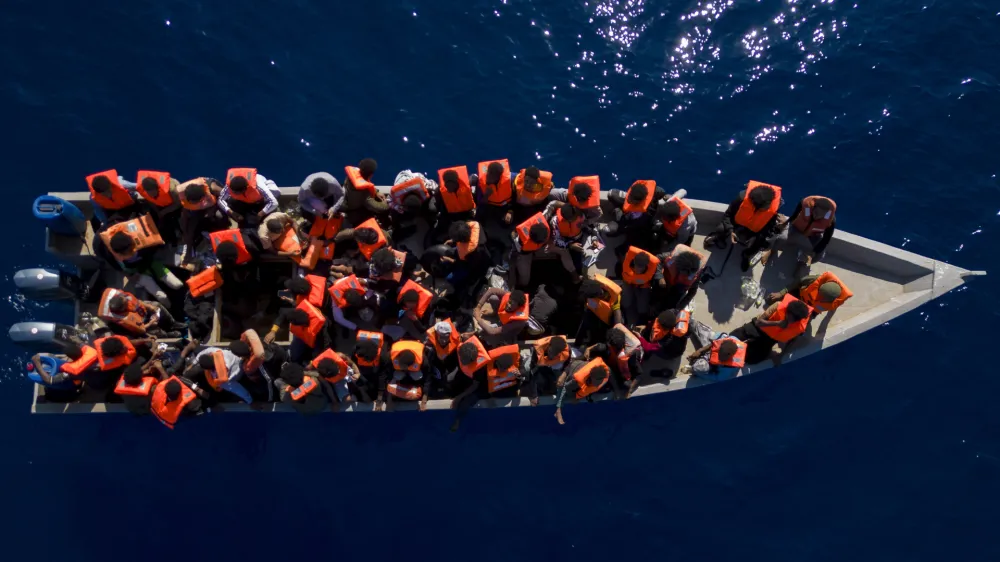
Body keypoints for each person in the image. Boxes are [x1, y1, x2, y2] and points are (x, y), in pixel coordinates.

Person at [97, 215, 184, 307]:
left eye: (132, 249)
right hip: (137, 273)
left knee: (177, 284)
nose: (132, 252)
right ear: (120, 254)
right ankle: (169, 308)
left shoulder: (141, 242)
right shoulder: (112, 257)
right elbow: (119, 268)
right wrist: (130, 276)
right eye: (128, 252)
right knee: (162, 297)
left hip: (151, 263)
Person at [704, 181, 784, 271]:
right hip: (738, 222)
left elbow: (768, 228)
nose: (768, 208)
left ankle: (746, 255)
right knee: (721, 229)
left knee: (758, 242)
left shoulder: (772, 208)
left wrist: (756, 237)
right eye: (765, 207)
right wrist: (731, 231)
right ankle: (718, 237)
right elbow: (728, 215)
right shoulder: (741, 199)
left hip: (755, 228)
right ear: (755, 205)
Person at [450, 342, 523, 430]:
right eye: (500, 368)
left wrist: (519, 376)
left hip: (504, 387)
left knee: (513, 396)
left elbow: (521, 379)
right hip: (486, 386)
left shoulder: (515, 364)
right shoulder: (482, 367)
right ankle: (458, 419)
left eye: (504, 369)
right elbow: (475, 386)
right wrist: (459, 397)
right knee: (468, 401)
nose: (502, 370)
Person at [730, 294, 813, 365]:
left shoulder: (799, 326)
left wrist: (781, 355)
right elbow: (758, 323)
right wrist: (776, 323)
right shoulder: (778, 305)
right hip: (758, 327)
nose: (790, 321)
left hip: (770, 339)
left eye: (793, 320)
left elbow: (792, 341)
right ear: (787, 311)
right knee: (733, 337)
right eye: (789, 317)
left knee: (752, 359)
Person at [511, 209, 580, 287]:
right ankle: (521, 288)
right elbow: (513, 238)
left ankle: (574, 276)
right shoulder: (519, 240)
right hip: (524, 253)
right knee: (525, 278)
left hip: (543, 247)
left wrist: (551, 242)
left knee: (564, 251)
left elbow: (553, 205)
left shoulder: (544, 218)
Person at [780, 195, 837, 275]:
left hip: (813, 234)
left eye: (821, 215)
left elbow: (826, 240)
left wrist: (812, 253)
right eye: (816, 213)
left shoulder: (831, 221)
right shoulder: (805, 204)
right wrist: (785, 223)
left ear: (826, 214)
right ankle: (771, 250)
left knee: (820, 255)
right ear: (813, 208)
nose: (817, 216)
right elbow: (794, 216)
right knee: (781, 237)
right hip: (796, 229)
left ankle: (802, 263)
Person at [99, 287, 185, 337]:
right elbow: (141, 330)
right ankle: (168, 334)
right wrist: (151, 323)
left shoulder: (122, 296)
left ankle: (172, 323)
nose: (128, 301)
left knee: (156, 305)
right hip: (141, 323)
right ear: (122, 309)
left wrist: (150, 307)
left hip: (141, 311)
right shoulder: (125, 319)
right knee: (155, 332)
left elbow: (137, 301)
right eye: (126, 303)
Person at [766, 271, 852, 321]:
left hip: (810, 309)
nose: (819, 297)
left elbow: (829, 309)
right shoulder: (814, 280)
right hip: (800, 295)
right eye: (819, 293)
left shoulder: (835, 303)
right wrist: (781, 293)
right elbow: (799, 282)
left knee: (798, 327)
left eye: (822, 297)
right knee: (770, 299)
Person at [586, 324, 642, 398]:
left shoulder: (630, 355)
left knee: (626, 385)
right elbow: (599, 345)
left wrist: (630, 392)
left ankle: (616, 390)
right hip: (612, 362)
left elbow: (639, 375)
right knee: (599, 350)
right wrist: (588, 349)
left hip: (623, 368)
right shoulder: (607, 346)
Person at [265, 300, 331, 362]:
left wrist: (313, 362)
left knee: (315, 356)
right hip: (302, 334)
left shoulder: (322, 327)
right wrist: (273, 331)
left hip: (317, 338)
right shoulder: (298, 311)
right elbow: (282, 314)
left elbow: (326, 344)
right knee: (293, 357)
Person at [380, 340, 436, 412]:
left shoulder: (423, 360)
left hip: (415, 372)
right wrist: (383, 397)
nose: (405, 370)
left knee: (417, 376)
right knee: (398, 375)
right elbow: (384, 375)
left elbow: (428, 378)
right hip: (397, 372)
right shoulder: (389, 357)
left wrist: (424, 400)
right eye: (403, 367)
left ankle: (414, 385)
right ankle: (394, 392)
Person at [605, 180, 665, 247]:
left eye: (631, 199)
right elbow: (661, 191)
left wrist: (617, 212)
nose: (629, 199)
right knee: (611, 194)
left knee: (609, 230)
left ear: (639, 201)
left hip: (636, 223)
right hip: (633, 212)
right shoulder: (652, 191)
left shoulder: (640, 214)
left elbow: (627, 222)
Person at [553, 358, 610, 425]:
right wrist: (572, 397)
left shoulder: (604, 376)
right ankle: (558, 411)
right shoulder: (578, 380)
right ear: (591, 377)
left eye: (600, 381)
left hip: (583, 367)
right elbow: (564, 388)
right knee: (561, 387)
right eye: (597, 382)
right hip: (573, 369)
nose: (599, 384)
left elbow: (607, 373)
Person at [177, 177, 229, 249]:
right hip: (202, 207)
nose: (195, 204)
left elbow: (226, 196)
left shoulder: (213, 188)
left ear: (202, 197)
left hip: (216, 203)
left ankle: (223, 232)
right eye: (192, 203)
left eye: (196, 202)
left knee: (219, 215)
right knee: (191, 224)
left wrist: (213, 210)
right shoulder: (182, 195)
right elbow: (184, 215)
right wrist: (185, 233)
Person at [429, 166, 477, 244]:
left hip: (466, 212)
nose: (447, 187)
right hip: (451, 213)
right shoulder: (441, 190)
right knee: (441, 225)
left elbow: (475, 179)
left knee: (468, 228)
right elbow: (435, 201)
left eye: (449, 184)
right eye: (446, 184)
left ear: (456, 182)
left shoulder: (467, 185)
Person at [189, 347, 253, 404]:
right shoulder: (219, 352)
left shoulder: (222, 380)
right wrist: (193, 363)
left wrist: (249, 400)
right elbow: (207, 350)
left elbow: (238, 389)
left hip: (238, 374)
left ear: (209, 369)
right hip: (237, 359)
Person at [619, 246, 662, 327]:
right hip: (628, 283)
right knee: (626, 303)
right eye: (637, 266)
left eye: (641, 268)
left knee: (642, 309)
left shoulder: (652, 268)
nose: (638, 269)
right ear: (634, 262)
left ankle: (640, 322)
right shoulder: (627, 261)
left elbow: (659, 269)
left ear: (646, 266)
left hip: (643, 287)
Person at [135, 170, 183, 243]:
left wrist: (163, 212)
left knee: (175, 220)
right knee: (154, 220)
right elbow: (151, 202)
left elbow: (178, 204)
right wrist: (158, 212)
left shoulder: (172, 189)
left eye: (152, 192)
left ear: (157, 188)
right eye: (148, 193)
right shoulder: (144, 192)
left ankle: (179, 237)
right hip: (160, 206)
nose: (151, 195)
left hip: (174, 205)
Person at [388, 170, 437, 241]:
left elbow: (435, 185)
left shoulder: (425, 184)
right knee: (394, 213)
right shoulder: (395, 193)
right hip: (402, 183)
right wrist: (399, 208)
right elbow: (389, 201)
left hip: (416, 178)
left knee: (432, 208)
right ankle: (397, 227)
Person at [341, 158, 389, 226]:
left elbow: (364, 184)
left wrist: (376, 192)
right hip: (353, 213)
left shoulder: (349, 178)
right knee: (372, 213)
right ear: (371, 175)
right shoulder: (364, 193)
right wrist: (386, 205)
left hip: (348, 202)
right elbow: (376, 207)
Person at [576, 276, 623, 346]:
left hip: (609, 316)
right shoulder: (589, 287)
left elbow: (617, 316)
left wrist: (617, 332)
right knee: (587, 319)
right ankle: (587, 340)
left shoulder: (614, 294)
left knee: (620, 322)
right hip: (595, 311)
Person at [30, 343, 97, 391]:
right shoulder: (92, 352)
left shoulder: (72, 371)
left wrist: (37, 363)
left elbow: (49, 380)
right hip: (99, 374)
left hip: (94, 384)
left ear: (70, 357)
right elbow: (81, 344)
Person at [658, 244, 706, 309]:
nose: (685, 274)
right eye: (683, 272)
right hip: (664, 282)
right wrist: (660, 277)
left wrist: (681, 306)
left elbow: (692, 291)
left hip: (677, 290)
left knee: (671, 304)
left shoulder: (697, 272)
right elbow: (657, 259)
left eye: (687, 274)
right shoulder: (671, 256)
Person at [526, 335, 572, 399]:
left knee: (559, 382)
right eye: (551, 352)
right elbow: (531, 371)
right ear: (549, 345)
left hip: (554, 365)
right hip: (539, 363)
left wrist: (563, 375)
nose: (552, 356)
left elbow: (568, 363)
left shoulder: (567, 350)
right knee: (538, 379)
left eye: (555, 354)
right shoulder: (536, 351)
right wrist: (533, 395)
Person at [682, 336, 747, 381]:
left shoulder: (730, 368)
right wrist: (700, 351)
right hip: (711, 351)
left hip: (712, 364)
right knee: (701, 329)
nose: (720, 358)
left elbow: (717, 378)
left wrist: (697, 374)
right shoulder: (731, 338)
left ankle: (693, 369)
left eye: (722, 358)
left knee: (699, 367)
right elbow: (714, 342)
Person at [475, 159, 514, 229]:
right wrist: (486, 195)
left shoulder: (510, 180)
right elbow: (480, 203)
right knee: (479, 214)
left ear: (499, 177)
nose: (488, 176)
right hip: (489, 205)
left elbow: (515, 198)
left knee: (507, 222)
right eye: (488, 173)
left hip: (504, 206)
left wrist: (510, 212)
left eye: (492, 175)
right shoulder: (481, 183)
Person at [353, 330, 391, 402]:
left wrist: (379, 398)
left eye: (368, 360)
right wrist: (364, 394)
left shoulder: (383, 357)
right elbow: (353, 365)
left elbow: (382, 376)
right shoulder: (356, 352)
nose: (367, 361)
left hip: (376, 371)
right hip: (362, 371)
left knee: (380, 383)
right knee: (358, 381)